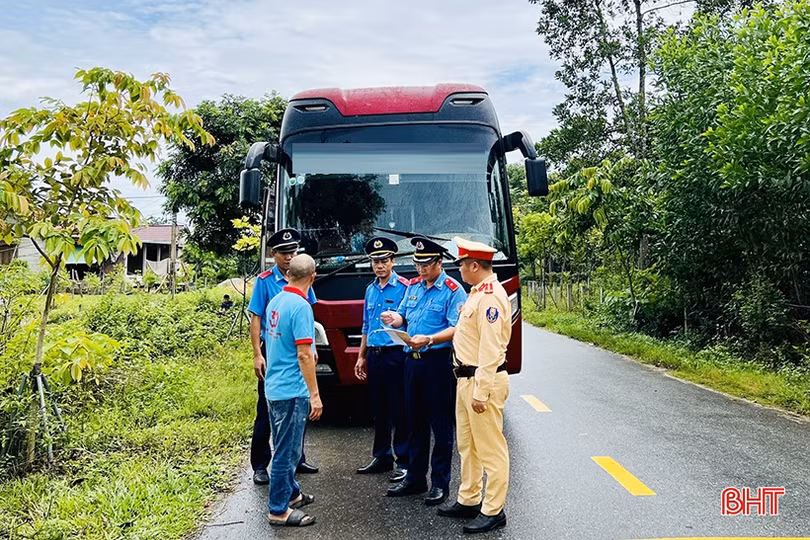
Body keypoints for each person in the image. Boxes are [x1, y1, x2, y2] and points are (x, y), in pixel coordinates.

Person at [382, 236, 467, 507]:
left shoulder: (453, 290)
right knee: (414, 421)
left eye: (426, 264)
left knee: (440, 425)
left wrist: (430, 339)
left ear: (439, 262)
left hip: (437, 363)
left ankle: (440, 483)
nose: (420, 269)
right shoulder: (414, 287)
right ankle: (416, 477)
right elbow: (404, 315)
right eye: (417, 264)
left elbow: (457, 328)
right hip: (411, 362)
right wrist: (394, 319)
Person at [437, 237, 511, 534]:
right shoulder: (477, 293)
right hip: (465, 378)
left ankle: (493, 509)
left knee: (490, 447)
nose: (460, 271)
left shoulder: (490, 296)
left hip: (483, 381)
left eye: (463, 265)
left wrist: (481, 391)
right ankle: (468, 499)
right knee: (468, 445)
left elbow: (491, 350)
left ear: (475, 265)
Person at [248, 228, 319, 486]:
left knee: (298, 405)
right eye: (284, 253)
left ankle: (296, 458)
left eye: (293, 252)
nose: (289, 257)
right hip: (274, 350)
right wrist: (257, 353)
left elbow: (307, 313)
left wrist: (312, 347)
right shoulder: (265, 281)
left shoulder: (302, 278)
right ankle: (260, 464)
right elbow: (257, 318)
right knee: (268, 408)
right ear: (273, 254)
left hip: (299, 347)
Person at [260, 253, 323, 527]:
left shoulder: (276, 300)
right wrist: (315, 394)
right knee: (287, 451)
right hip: (290, 390)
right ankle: (278, 509)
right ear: (313, 277)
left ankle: (293, 494)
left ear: (288, 275)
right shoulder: (301, 306)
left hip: (273, 387)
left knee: (285, 444)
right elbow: (304, 355)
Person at [354, 237, 410, 483]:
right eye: (375, 261)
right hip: (375, 356)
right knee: (379, 409)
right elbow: (366, 325)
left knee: (400, 409)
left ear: (393, 261)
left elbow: (410, 320)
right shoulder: (370, 289)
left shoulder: (406, 287)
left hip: (396, 356)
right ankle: (382, 456)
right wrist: (360, 356)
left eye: (384, 261)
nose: (380, 266)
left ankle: (405, 461)